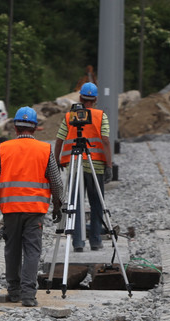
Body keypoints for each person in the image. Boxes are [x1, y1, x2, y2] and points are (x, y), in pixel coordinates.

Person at [0, 107, 66, 307]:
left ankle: (14, 291)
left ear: (15, 127)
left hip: (11, 209)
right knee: (32, 250)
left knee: (12, 249)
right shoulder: (45, 149)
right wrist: (57, 204)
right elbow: (56, 182)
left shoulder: (5, 148)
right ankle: (29, 295)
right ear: (36, 128)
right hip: (35, 209)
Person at [54, 82, 112, 252]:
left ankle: (78, 243)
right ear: (95, 99)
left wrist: (57, 161)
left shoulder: (69, 116)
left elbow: (59, 140)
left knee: (75, 204)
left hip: (74, 165)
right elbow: (106, 141)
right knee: (96, 203)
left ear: (80, 98)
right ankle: (95, 241)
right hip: (96, 165)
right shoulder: (101, 116)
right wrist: (109, 165)